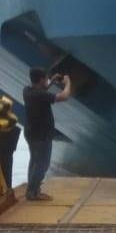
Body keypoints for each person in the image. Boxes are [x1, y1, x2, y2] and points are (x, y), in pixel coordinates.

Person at [22, 68, 72, 201]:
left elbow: (41, 91)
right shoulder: (40, 95)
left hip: (31, 134)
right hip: (41, 136)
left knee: (34, 162)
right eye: (46, 79)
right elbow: (64, 96)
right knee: (42, 164)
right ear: (41, 80)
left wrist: (52, 81)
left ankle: (32, 190)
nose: (47, 81)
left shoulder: (27, 91)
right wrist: (68, 83)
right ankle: (33, 193)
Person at [0, 96, 21, 204]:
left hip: (5, 152)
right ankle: (8, 193)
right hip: (7, 153)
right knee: (7, 174)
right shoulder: (14, 126)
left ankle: (7, 193)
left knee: (5, 175)